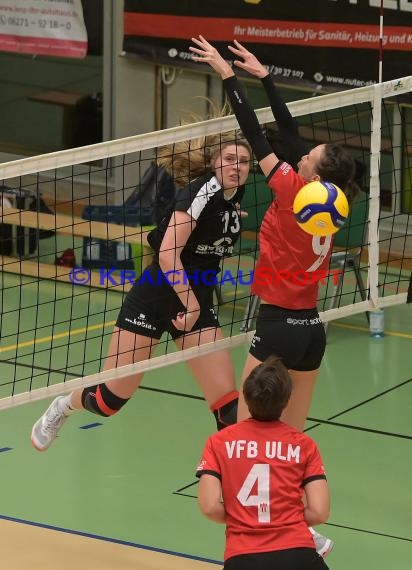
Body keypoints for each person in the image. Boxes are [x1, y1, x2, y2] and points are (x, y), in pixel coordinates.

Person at [31, 129, 252, 451]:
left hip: (196, 300)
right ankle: (63, 406)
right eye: (230, 159)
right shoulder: (200, 192)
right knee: (108, 400)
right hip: (156, 296)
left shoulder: (232, 195)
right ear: (213, 162)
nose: (237, 166)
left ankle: (230, 476)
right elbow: (166, 254)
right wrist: (190, 307)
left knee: (229, 408)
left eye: (244, 161)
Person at [189, 36, 361, 432]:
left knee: (241, 431)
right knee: (292, 438)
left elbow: (255, 133)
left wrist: (228, 75)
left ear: (313, 176)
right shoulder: (332, 203)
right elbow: (291, 133)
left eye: (307, 158)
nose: (300, 154)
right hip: (311, 331)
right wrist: (266, 79)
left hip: (277, 326)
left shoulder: (290, 189)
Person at [196, 355, 330, 570]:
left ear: (246, 397)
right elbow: (319, 512)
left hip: (242, 558)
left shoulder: (218, 442)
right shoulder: (304, 445)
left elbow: (210, 506)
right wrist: (283, 519)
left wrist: (245, 519)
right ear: (287, 400)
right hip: (297, 554)